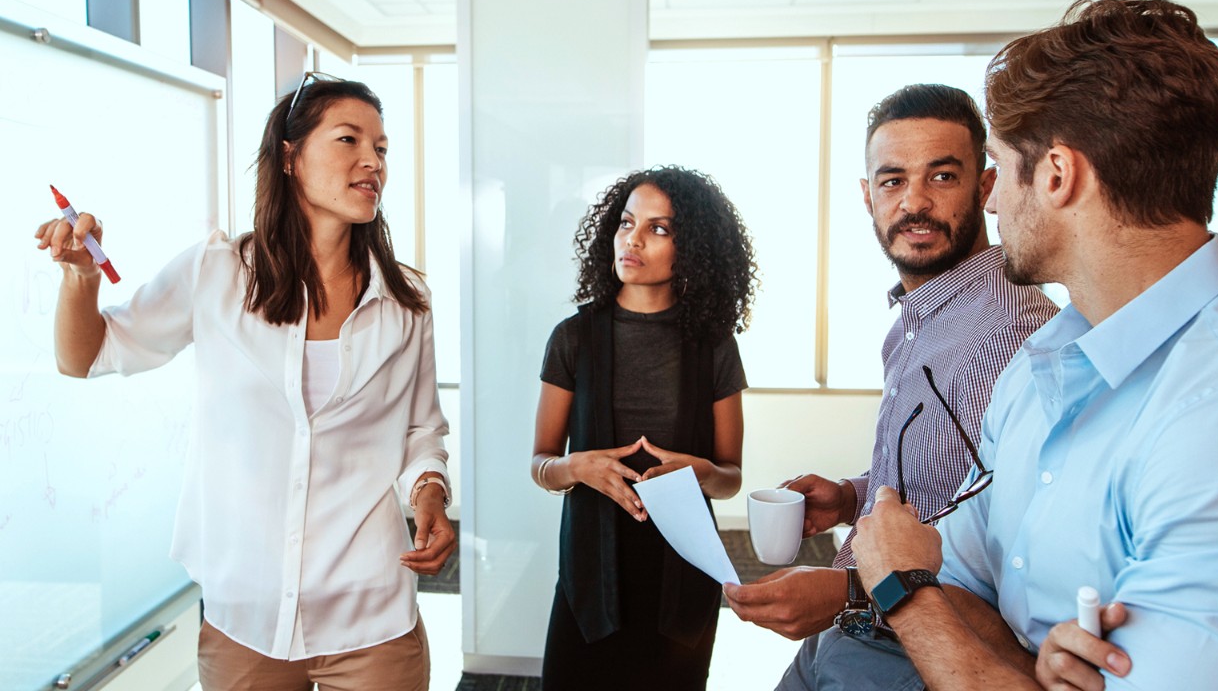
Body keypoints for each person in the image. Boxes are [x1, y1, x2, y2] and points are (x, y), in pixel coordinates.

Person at [847, 0, 1218, 690]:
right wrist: (1027, 662)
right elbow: (964, 580)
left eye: (997, 168)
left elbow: (929, 586)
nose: (991, 204)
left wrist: (902, 589)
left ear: (1056, 175)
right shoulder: (1038, 367)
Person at [34, 73, 454, 690]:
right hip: (246, 618)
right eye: (349, 140)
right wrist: (80, 276)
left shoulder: (405, 300)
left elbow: (422, 427)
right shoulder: (217, 275)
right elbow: (87, 356)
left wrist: (430, 496)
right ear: (290, 156)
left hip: (373, 616)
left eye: (383, 148)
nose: (373, 161)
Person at [723, 84, 1057, 689]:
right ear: (867, 196)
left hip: (916, 647)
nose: (915, 203)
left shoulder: (1013, 331)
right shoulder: (916, 318)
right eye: (893, 181)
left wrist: (848, 589)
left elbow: (988, 542)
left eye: (942, 177)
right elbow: (942, 477)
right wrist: (853, 497)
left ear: (985, 188)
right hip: (854, 621)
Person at [531, 166, 759, 690]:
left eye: (659, 229)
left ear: (692, 249)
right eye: (627, 222)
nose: (632, 239)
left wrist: (699, 470)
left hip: (681, 578)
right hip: (591, 578)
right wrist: (574, 466)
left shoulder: (714, 345)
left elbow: (729, 477)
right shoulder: (573, 339)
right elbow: (540, 463)